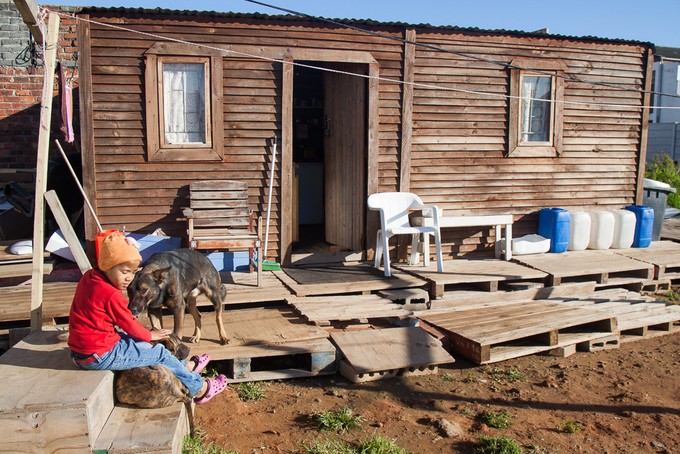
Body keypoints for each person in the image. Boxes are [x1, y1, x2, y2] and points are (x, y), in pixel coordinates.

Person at [67, 230, 227, 404]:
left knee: (137, 343)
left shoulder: (89, 278)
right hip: (100, 355)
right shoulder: (111, 294)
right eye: (125, 271)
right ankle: (200, 389)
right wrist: (151, 335)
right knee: (157, 351)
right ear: (107, 266)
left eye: (133, 272)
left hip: (82, 351)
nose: (130, 278)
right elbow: (129, 324)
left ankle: (184, 367)